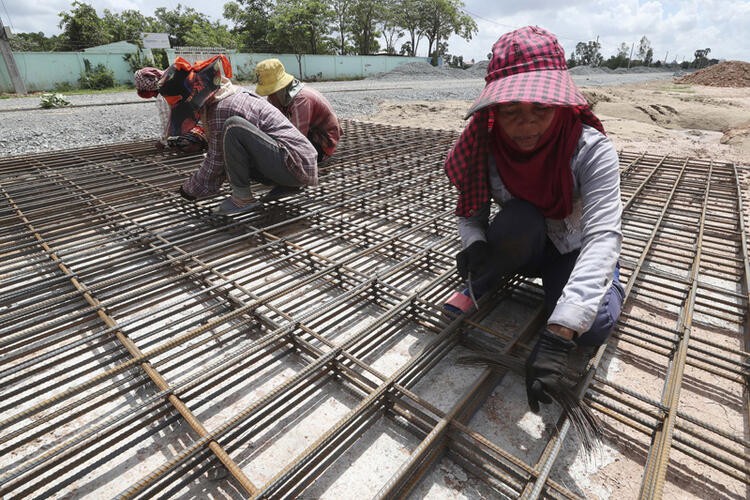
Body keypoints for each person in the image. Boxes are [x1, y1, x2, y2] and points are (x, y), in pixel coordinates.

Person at [442, 26, 625, 412]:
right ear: (495, 112)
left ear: (559, 105)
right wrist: (475, 246)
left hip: (573, 247)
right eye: (511, 111)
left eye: (540, 109)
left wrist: (559, 333)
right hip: (527, 239)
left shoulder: (591, 150)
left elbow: (602, 237)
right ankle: (486, 278)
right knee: (517, 220)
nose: (526, 124)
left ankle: (611, 282)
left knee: (591, 327)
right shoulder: (485, 146)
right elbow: (471, 214)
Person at [157, 55, 318, 215]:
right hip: (298, 164)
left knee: (233, 127)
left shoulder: (222, 108)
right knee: (234, 151)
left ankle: (242, 199)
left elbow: (216, 161)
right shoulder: (228, 93)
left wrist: (189, 189)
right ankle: (288, 184)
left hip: (296, 165)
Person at [255, 58, 342, 164]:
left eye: (272, 92)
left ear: (281, 88)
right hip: (309, 133)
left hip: (323, 143)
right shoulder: (282, 96)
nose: (270, 97)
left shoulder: (301, 100)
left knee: (281, 157)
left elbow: (295, 139)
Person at [133, 67, 207, 153]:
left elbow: (166, 122)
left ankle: (204, 142)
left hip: (201, 126)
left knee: (179, 143)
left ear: (149, 90)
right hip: (205, 121)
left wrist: (162, 142)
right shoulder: (175, 83)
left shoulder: (163, 96)